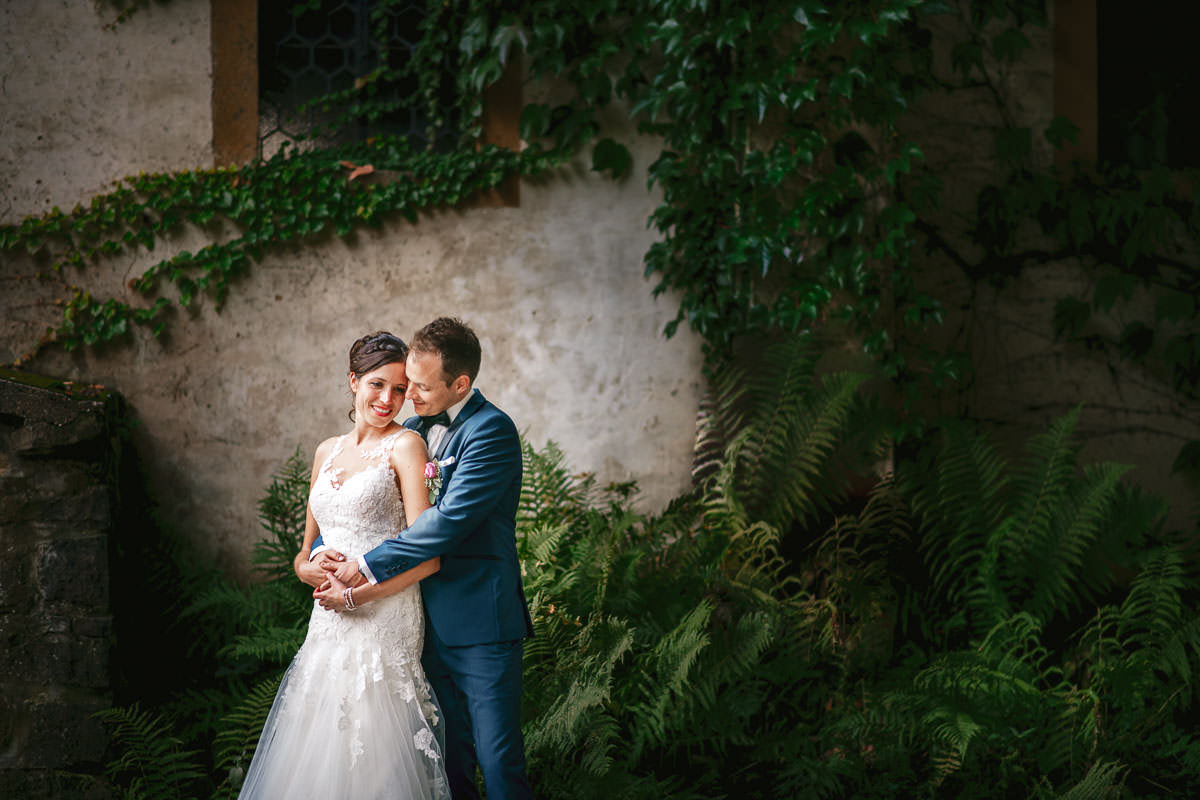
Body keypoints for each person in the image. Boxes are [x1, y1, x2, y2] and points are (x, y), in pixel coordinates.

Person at [310, 317, 534, 800]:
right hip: (419, 624)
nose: (407, 394)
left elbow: (446, 523)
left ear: (461, 384)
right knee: (446, 761)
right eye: (406, 380)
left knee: (497, 763)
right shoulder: (411, 430)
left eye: (420, 385)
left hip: (480, 625)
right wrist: (320, 555)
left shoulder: (491, 431)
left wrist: (365, 565)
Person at [239, 331, 450, 800]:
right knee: (319, 742)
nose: (388, 399)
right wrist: (304, 569)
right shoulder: (326, 450)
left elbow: (428, 557)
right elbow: (306, 549)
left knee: (373, 746)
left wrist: (355, 594)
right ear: (353, 380)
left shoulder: (405, 447)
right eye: (377, 384)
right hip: (328, 619)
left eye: (399, 389)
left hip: (383, 615)